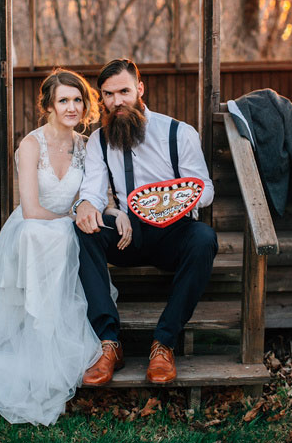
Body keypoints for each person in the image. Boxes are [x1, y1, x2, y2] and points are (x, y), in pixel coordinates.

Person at [74, 58, 218, 386]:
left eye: (124, 91)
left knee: (204, 238)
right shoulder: (98, 140)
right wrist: (86, 206)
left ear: (140, 89)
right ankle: (108, 343)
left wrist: (177, 201)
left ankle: (163, 343)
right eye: (108, 95)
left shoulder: (179, 133)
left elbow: (206, 189)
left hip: (173, 234)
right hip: (127, 235)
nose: (116, 101)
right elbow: (94, 191)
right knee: (80, 232)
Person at [0, 69, 106, 426]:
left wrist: (110, 212)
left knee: (75, 236)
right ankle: (38, 340)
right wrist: (72, 216)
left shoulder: (86, 145)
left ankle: (56, 344)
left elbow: (96, 195)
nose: (72, 107)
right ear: (48, 104)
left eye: (78, 99)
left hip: (66, 228)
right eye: (63, 100)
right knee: (42, 235)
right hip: (35, 228)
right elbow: (31, 210)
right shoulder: (30, 145)